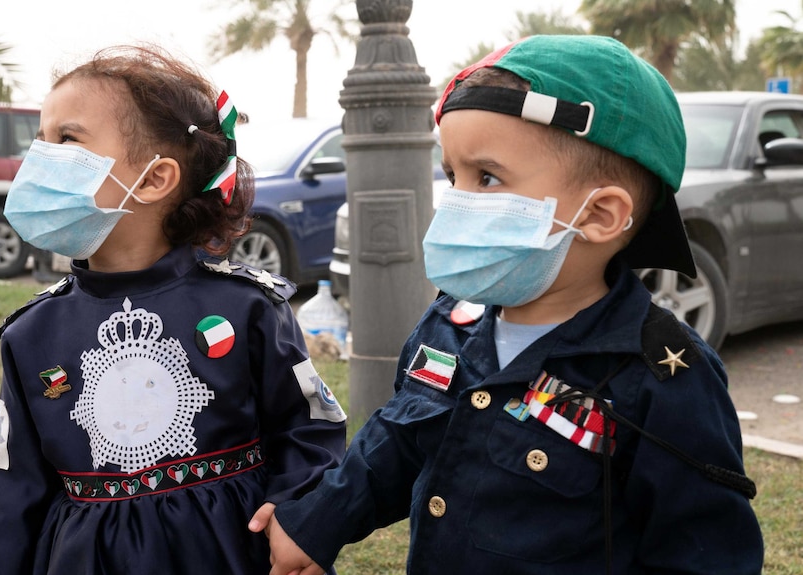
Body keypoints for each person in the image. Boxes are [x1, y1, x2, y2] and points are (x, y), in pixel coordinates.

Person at [256, 35, 764, 574]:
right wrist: (316, 523)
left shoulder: (663, 378)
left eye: (488, 177)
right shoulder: (450, 321)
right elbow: (398, 440)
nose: (454, 202)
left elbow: (705, 552)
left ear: (601, 215)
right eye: (454, 175)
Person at [0, 45, 346, 575]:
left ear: (153, 178)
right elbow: (11, 491)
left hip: (231, 554)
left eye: (67, 140)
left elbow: (308, 430)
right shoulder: (32, 334)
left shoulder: (248, 309)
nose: (40, 160)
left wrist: (301, 518)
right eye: (41, 142)